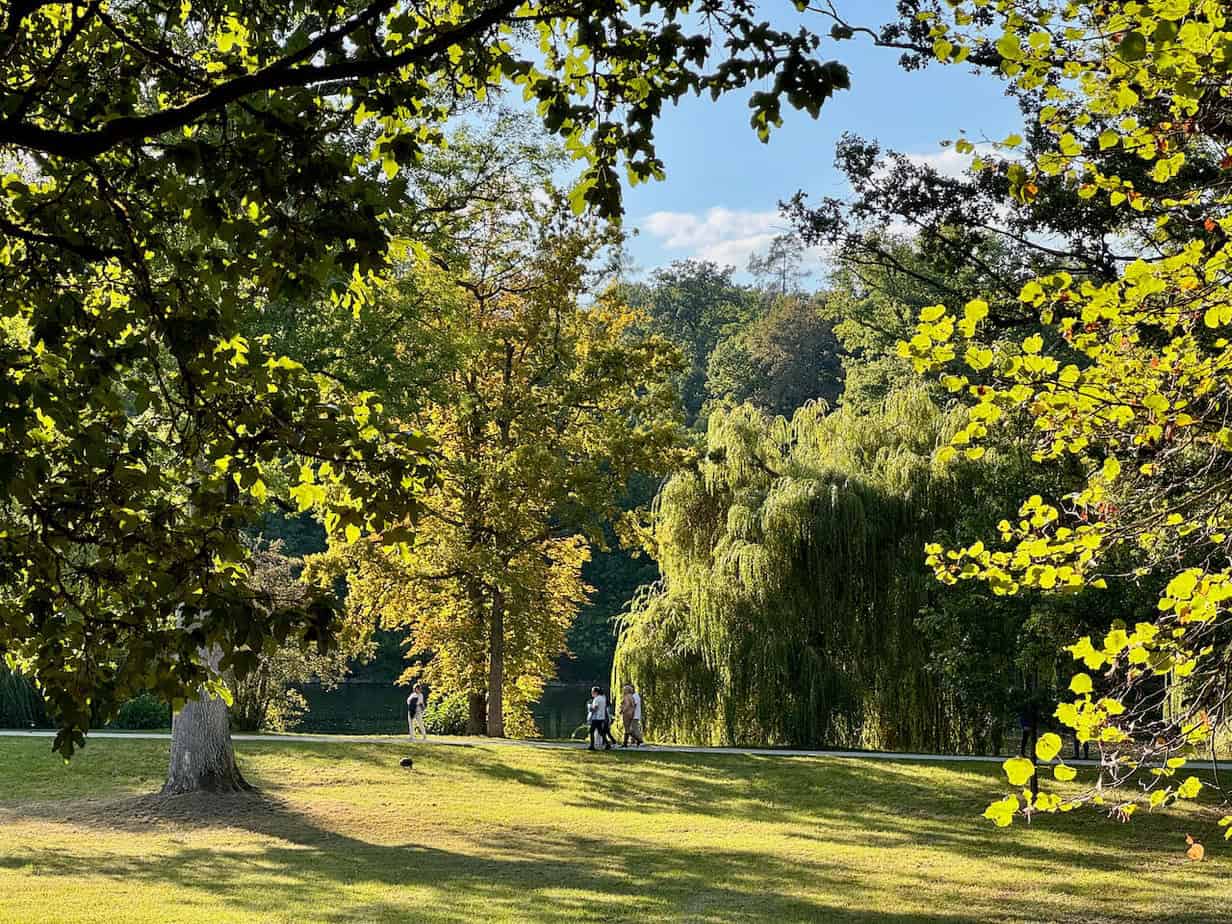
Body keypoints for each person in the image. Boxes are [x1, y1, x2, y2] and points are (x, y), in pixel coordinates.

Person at [620, 683, 644, 748]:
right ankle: (625, 743)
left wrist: (623, 710)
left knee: (628, 729)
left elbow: (628, 705)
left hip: (628, 714)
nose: (623, 690)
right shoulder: (632, 696)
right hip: (631, 714)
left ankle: (638, 740)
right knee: (628, 729)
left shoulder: (628, 696)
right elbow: (633, 705)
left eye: (624, 689)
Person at [587, 686, 609, 751]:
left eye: (592, 692)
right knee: (600, 731)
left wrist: (590, 708)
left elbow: (595, 708)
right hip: (601, 717)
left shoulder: (596, 699)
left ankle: (592, 745)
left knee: (591, 731)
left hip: (596, 717)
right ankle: (607, 744)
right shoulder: (603, 698)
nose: (591, 693)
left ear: (595, 692)